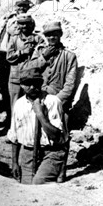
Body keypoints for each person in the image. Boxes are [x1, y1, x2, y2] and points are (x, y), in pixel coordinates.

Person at [27, 21, 78, 182]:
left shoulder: (69, 56)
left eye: (55, 34)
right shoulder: (40, 51)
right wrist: (43, 57)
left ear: (60, 35)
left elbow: (70, 84)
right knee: (39, 132)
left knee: (63, 134)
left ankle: (62, 171)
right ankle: (41, 165)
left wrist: (57, 101)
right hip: (40, 98)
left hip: (60, 100)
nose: (51, 37)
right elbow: (29, 70)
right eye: (48, 35)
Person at [8, 67, 67, 185]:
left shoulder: (53, 101)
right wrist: (14, 163)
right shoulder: (19, 104)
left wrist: (40, 114)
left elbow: (57, 136)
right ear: (21, 85)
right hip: (28, 153)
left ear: (41, 84)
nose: (32, 87)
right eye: (27, 84)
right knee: (26, 187)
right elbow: (14, 136)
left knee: (38, 184)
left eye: (36, 84)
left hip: (51, 152)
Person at [0, 0, 34, 126]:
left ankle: (14, 118)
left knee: (13, 88)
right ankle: (9, 116)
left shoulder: (22, 21)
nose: (21, 8)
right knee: (4, 88)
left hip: (13, 56)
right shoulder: (10, 18)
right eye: (19, 6)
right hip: (3, 53)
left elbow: (14, 31)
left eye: (24, 6)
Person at [6, 14, 44, 116]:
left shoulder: (38, 39)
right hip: (16, 77)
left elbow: (42, 56)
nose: (25, 26)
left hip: (32, 78)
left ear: (32, 25)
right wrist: (22, 52)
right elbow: (9, 57)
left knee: (33, 105)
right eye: (22, 24)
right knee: (15, 105)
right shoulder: (14, 39)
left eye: (27, 24)